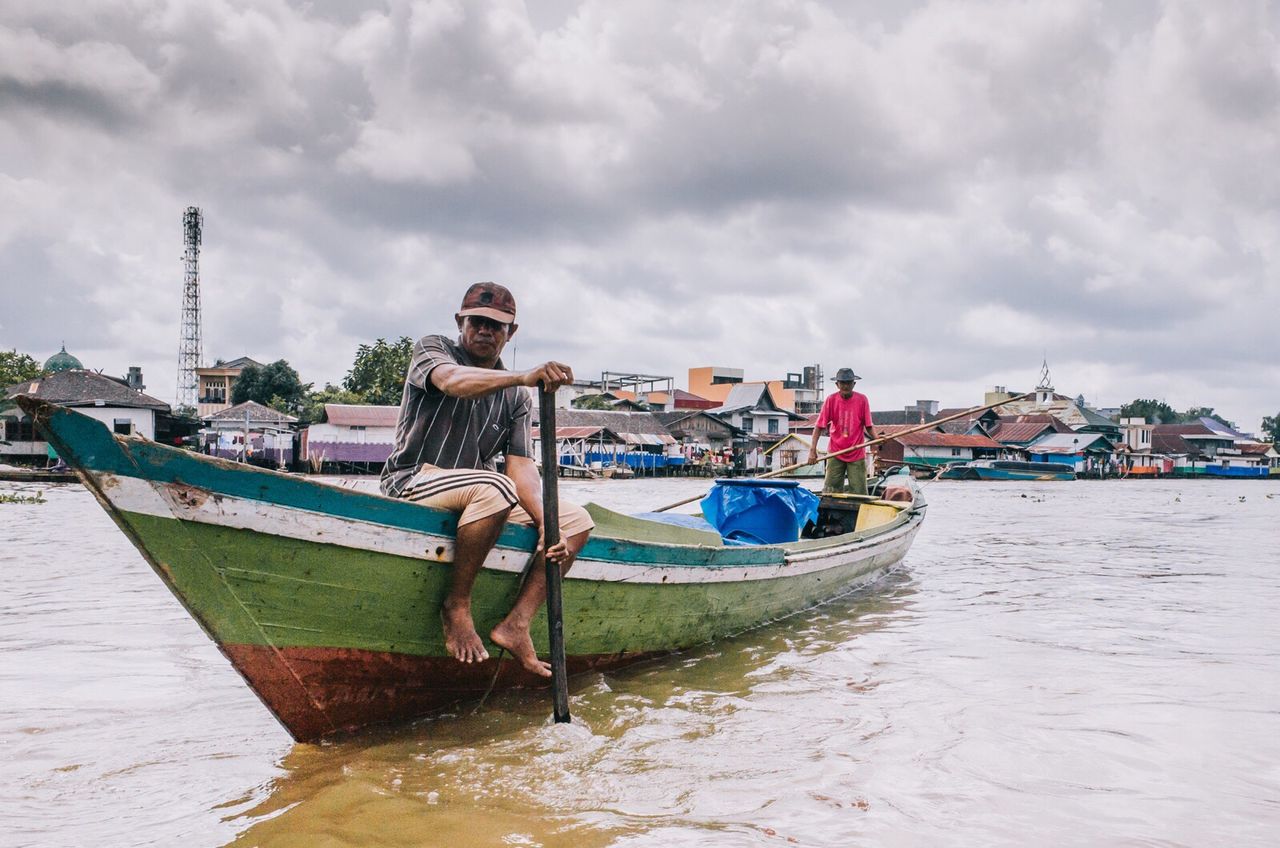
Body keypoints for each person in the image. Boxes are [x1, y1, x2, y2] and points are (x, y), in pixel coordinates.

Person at [380, 282, 594, 677]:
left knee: (574, 520)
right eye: (477, 322)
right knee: (494, 487)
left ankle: (516, 625)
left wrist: (548, 522)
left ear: (511, 333)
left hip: (481, 497)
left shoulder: (516, 398)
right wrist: (522, 376)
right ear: (460, 322)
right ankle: (457, 606)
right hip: (415, 479)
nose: (485, 331)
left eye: (496, 326)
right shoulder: (433, 349)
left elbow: (521, 467)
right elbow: (452, 382)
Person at [807, 367, 876, 494]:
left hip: (856, 452)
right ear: (837, 384)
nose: (845, 386)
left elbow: (869, 425)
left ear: (853, 384)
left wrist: (877, 439)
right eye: (842, 383)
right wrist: (812, 451)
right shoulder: (831, 400)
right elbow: (819, 427)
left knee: (859, 493)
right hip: (835, 452)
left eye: (848, 383)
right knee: (830, 491)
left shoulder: (862, 400)